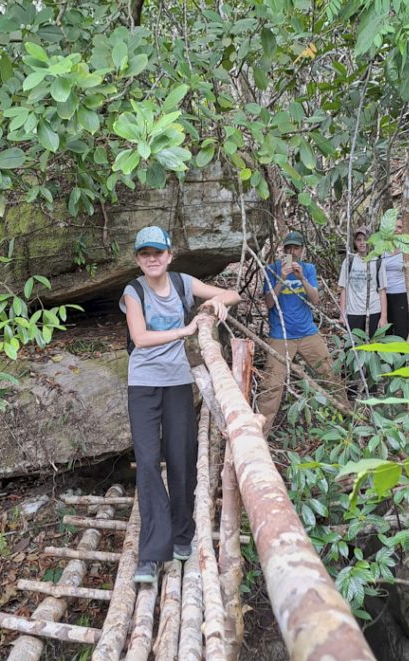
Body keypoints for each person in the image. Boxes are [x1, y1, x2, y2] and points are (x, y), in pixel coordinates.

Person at [120, 225, 241, 584]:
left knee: (181, 457)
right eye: (146, 254)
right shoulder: (133, 291)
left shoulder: (181, 283)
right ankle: (150, 555)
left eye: (158, 252)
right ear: (138, 260)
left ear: (169, 255)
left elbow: (233, 292)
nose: (153, 259)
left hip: (176, 383)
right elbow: (140, 338)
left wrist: (217, 301)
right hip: (143, 385)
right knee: (146, 462)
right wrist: (184, 331)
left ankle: (182, 534)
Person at [256, 231, 339, 432]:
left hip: (307, 332)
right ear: (284, 250)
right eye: (289, 249)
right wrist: (280, 279)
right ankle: (261, 434)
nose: (292, 252)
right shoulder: (272, 269)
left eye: (296, 248)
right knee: (271, 387)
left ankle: (343, 421)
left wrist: (302, 278)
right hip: (280, 335)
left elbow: (315, 300)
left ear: (302, 250)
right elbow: (269, 303)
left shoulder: (308, 269)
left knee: (329, 374)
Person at [337, 227, 387, 339]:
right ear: (355, 242)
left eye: (365, 239)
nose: (362, 243)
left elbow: (382, 290)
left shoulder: (377, 261)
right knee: (353, 347)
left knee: (373, 347)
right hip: (354, 311)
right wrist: (342, 314)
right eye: (359, 240)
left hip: (374, 310)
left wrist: (383, 316)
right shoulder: (349, 261)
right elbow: (344, 289)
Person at [383, 216, 409, 339]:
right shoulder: (382, 249)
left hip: (401, 294)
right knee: (386, 330)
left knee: (401, 330)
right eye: (394, 226)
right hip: (383, 295)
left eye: (399, 227)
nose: (396, 229)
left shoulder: (407, 250)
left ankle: (402, 357)